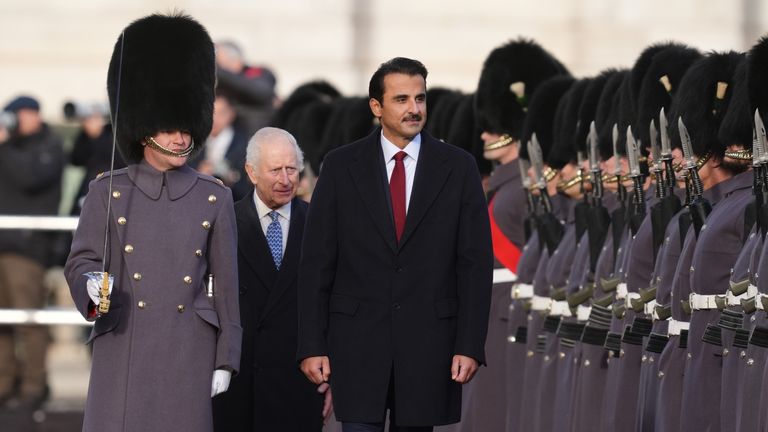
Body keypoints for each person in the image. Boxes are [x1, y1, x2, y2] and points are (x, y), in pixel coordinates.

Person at [64, 13, 241, 432]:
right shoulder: (108, 191)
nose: (182, 138)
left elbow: (228, 287)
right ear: (144, 131)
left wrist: (226, 358)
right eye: (170, 127)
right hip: (125, 340)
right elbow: (81, 260)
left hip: (189, 348)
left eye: (187, 127)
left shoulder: (212, 196)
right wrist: (90, 283)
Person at [297, 57, 493, 431]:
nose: (414, 109)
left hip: (429, 346)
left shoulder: (458, 167)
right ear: (377, 107)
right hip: (355, 345)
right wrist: (311, 344)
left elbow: (474, 264)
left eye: (420, 99)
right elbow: (317, 263)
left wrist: (470, 345)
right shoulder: (340, 166)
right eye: (401, 99)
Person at [212, 127, 331, 431]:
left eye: (292, 168)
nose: (286, 179)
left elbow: (338, 301)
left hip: (301, 384)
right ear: (251, 172)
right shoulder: (225, 224)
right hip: (238, 386)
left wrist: (337, 377)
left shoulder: (321, 223)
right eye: (276, 170)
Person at [0, 95, 64, 410]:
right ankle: (4, 384)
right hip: (2, 247)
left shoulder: (48, 147)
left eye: (28, 113)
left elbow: (29, 179)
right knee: (1, 323)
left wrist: (5, 145)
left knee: (29, 319)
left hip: (27, 250)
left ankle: (34, 386)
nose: (24, 119)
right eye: (17, 115)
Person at [189, 93, 250, 201]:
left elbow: (246, 189)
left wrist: (228, 178)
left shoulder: (243, 146)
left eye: (221, 113)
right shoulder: (193, 141)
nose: (215, 119)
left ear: (231, 114)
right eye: (211, 113)